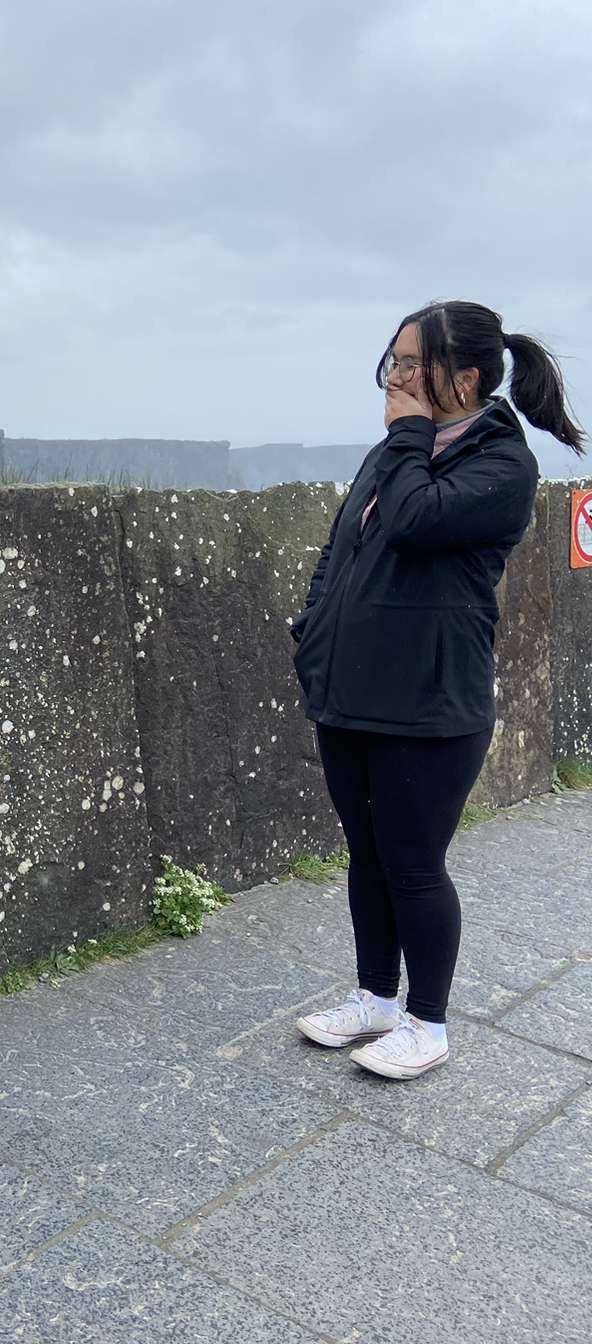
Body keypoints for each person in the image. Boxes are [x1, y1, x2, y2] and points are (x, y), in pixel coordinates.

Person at [290, 301, 584, 1081]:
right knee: (365, 855)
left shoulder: (502, 467)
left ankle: (428, 1021)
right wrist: (313, 630)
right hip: (350, 690)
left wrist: (409, 434)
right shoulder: (396, 451)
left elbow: (417, 522)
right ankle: (376, 997)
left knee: (414, 862)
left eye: (416, 363)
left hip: (429, 702)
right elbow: (343, 544)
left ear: (469, 377)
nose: (399, 377)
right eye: (396, 360)